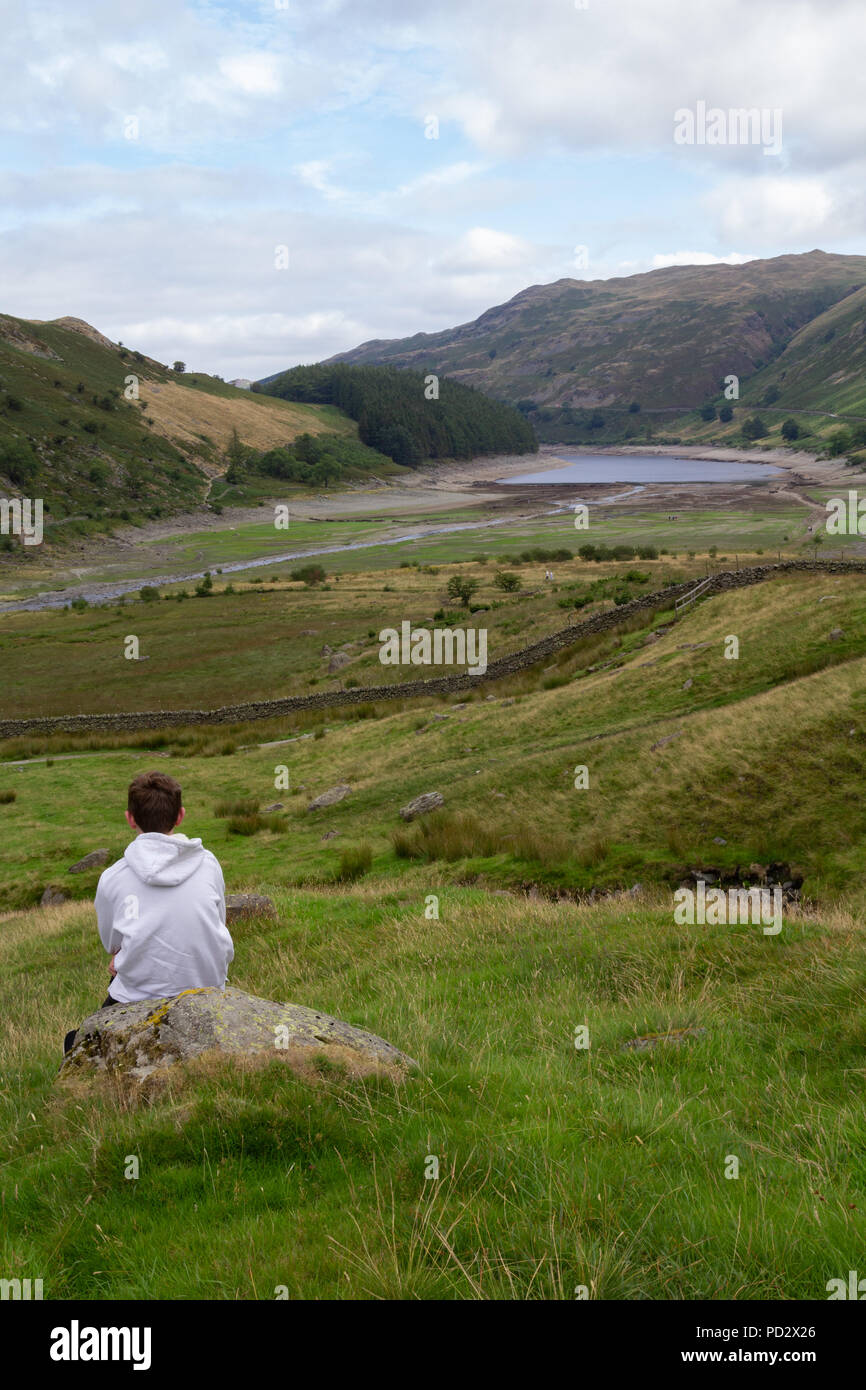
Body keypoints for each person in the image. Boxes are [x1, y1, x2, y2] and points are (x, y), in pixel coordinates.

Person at [63, 771, 234, 1054]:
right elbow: (218, 924)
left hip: (137, 998)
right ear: (180, 815)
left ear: (130, 818)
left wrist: (124, 953)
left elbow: (111, 943)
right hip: (207, 987)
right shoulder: (208, 864)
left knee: (78, 1043)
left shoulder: (113, 877)